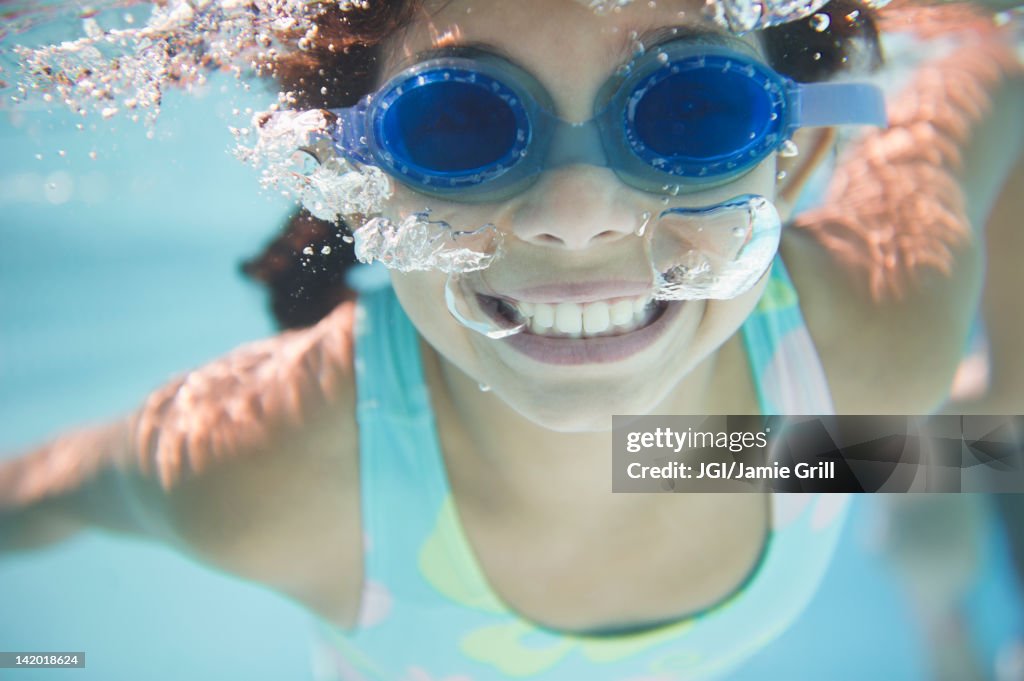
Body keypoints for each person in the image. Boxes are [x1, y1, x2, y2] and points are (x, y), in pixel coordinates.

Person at [1, 0, 1022, 679]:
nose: (575, 214)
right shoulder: (268, 477)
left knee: (974, 453)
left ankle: (938, 546)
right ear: (349, 182)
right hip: (723, 451)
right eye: (454, 127)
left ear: (790, 168)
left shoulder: (878, 327)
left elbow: (991, 58)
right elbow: (41, 490)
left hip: (704, 456)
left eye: (694, 112)